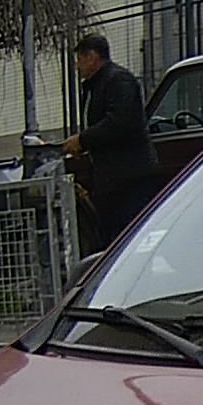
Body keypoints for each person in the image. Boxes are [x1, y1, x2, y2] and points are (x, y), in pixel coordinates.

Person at [64, 34, 154, 253]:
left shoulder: (118, 81)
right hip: (110, 176)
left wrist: (83, 140)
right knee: (111, 234)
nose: (77, 66)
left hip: (129, 176)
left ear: (92, 57)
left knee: (129, 233)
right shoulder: (95, 86)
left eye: (80, 59)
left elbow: (119, 122)